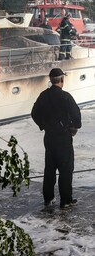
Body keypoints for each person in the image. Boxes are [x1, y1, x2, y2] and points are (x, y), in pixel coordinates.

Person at [31, 67, 81, 209]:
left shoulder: (43, 96)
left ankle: (48, 198)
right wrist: (75, 127)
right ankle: (65, 200)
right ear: (62, 80)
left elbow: (34, 113)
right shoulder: (65, 96)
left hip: (49, 137)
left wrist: (43, 125)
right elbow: (76, 115)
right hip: (63, 137)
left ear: (50, 80)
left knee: (50, 168)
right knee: (66, 169)